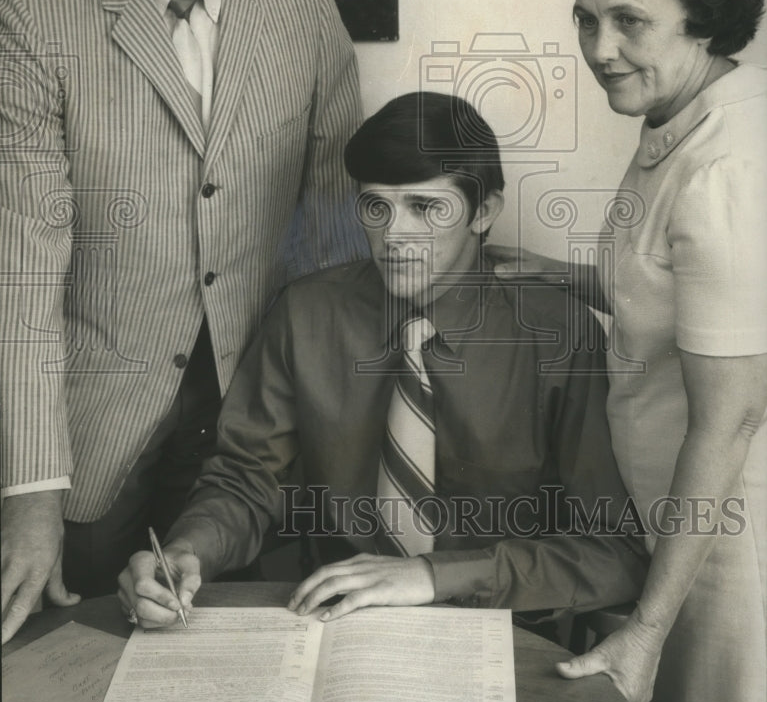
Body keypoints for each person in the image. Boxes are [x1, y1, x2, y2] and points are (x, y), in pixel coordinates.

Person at [0, 0, 364, 643]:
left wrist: (336, 434)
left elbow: (336, 231)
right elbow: (20, 276)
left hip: (261, 423)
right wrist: (31, 502)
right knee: (77, 663)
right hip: (94, 431)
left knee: (242, 660)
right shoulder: (32, 18)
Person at [117, 91, 647, 632]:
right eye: (377, 206)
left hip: (500, 625)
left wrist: (432, 576)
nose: (393, 235)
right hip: (336, 621)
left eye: (425, 207)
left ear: (483, 212)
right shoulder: (307, 313)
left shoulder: (558, 332)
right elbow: (245, 480)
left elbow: (613, 549)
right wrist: (189, 549)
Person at [505, 0, 766, 702]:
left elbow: (732, 416)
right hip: (679, 528)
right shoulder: (678, 113)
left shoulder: (724, 167)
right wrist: (557, 274)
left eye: (628, 21)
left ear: (701, 12)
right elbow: (679, 301)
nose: (599, 48)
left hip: (729, 543)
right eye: (585, 17)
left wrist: (649, 626)